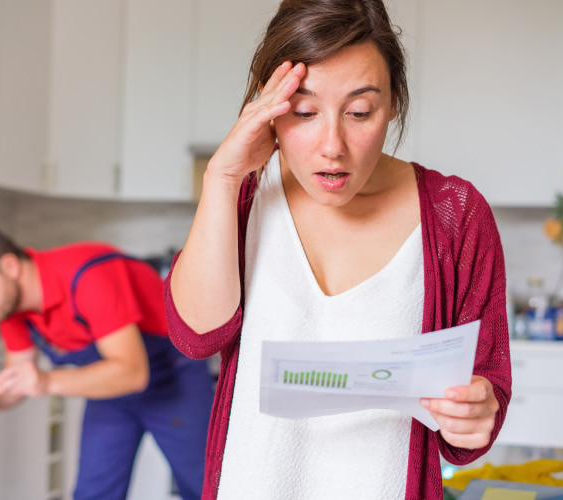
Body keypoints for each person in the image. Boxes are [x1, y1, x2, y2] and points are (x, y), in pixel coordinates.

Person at [165, 0, 511, 498]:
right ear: (271, 110)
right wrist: (221, 177)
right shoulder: (244, 196)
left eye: (359, 112)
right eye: (305, 111)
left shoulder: (455, 215)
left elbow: (483, 395)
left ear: (392, 103)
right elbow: (196, 336)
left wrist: (475, 413)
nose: (333, 145)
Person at [0, 227, 213, 500]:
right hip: (108, 389)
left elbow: (132, 372)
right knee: (93, 493)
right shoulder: (8, 307)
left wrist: (46, 381)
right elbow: (15, 381)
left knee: (203, 486)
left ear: (9, 266)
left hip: (173, 378)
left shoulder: (88, 275)